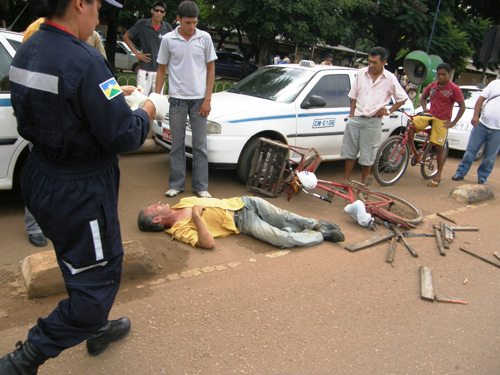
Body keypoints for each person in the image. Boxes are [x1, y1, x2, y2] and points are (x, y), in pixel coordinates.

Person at [0, 0, 169, 373]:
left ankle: (97, 328)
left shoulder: (29, 48)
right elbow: (124, 134)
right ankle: (26, 358)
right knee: (99, 278)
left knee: (76, 260)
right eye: (97, 6)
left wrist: (112, 99)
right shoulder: (86, 61)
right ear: (79, 4)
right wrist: (149, 109)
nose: (99, 15)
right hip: (80, 191)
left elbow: (64, 104)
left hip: (42, 175)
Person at [155, 0, 217, 199]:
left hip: (199, 100)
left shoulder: (205, 38)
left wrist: (208, 98)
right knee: (177, 144)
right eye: (188, 22)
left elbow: (210, 69)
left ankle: (201, 186)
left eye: (194, 23)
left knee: (200, 145)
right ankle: (176, 184)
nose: (191, 27)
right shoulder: (168, 39)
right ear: (178, 20)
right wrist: (156, 98)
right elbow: (161, 69)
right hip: (177, 99)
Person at [138, 196, 345, 249]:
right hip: (242, 222)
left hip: (242, 202)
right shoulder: (179, 230)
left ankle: (316, 224)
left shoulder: (181, 202)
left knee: (284, 216)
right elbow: (208, 244)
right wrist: (196, 217)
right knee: (281, 239)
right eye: (154, 208)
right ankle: (321, 235)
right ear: (157, 219)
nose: (157, 203)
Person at [340, 46, 408, 184]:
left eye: (374, 62)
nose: (371, 65)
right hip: (356, 119)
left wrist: (388, 111)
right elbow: (353, 96)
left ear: (384, 62)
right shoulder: (361, 73)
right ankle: (345, 181)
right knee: (349, 154)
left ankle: (363, 185)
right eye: (369, 61)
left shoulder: (390, 79)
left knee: (367, 157)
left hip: (373, 122)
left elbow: (402, 98)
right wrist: (351, 116)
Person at [407, 63, 465, 187]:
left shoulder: (454, 89)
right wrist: (425, 108)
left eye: (443, 74)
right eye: (439, 74)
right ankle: (415, 153)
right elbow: (423, 98)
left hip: (443, 120)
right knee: (410, 126)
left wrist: (453, 122)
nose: (440, 77)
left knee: (439, 146)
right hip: (430, 115)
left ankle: (438, 174)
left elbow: (462, 107)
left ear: (449, 75)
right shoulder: (433, 86)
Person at [452, 79, 500, 184]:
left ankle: (483, 178)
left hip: (498, 131)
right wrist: (475, 116)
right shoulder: (495, 83)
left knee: (490, 158)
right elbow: (480, 100)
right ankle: (460, 173)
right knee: (470, 152)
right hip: (482, 125)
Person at [123, 1, 172, 95]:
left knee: (157, 102)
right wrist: (137, 53)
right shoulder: (142, 24)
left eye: (161, 11)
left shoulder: (167, 28)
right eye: (156, 10)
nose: (159, 13)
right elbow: (126, 37)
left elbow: (173, 45)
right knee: (141, 100)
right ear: (152, 11)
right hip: (144, 70)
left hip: (160, 72)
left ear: (164, 13)